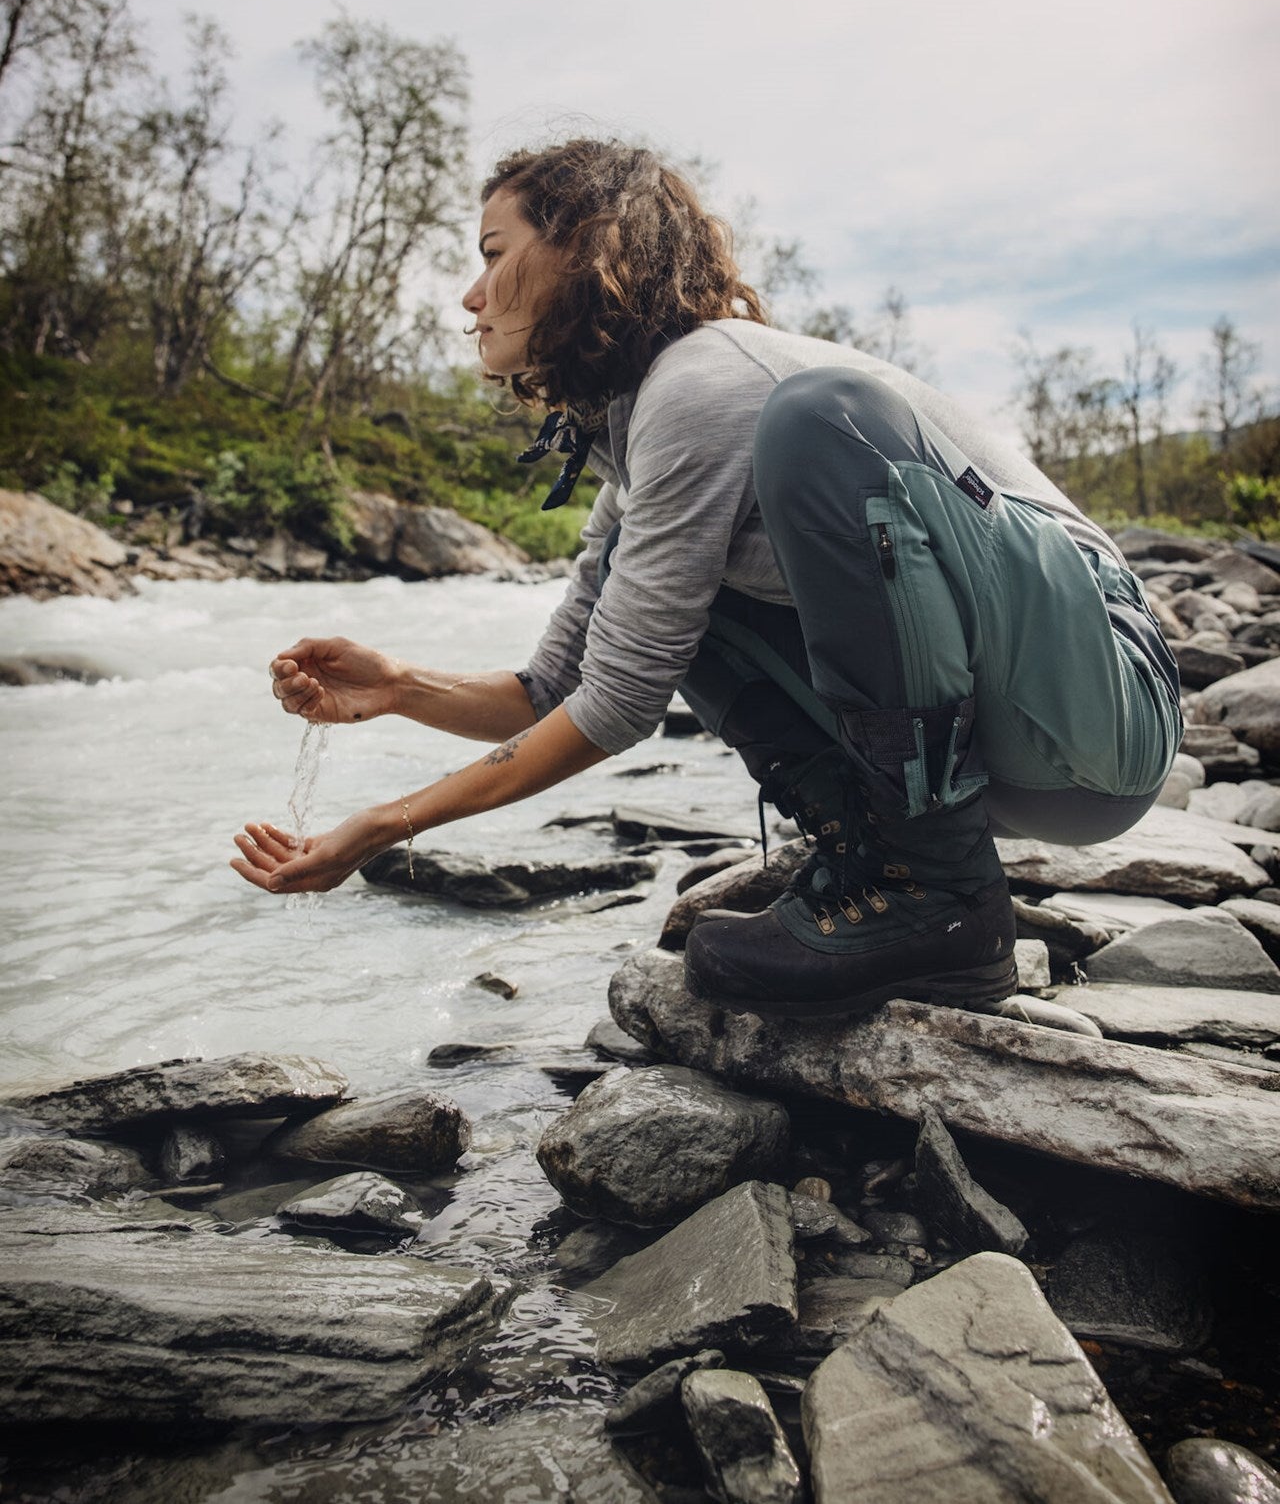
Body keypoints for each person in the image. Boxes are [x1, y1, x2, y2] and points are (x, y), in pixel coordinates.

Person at [230, 139, 1181, 1021]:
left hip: (1107, 700)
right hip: (1035, 758)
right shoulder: (643, 435)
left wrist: (384, 824)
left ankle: (941, 898)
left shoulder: (703, 379)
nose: (470, 296)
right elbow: (561, 687)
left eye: (492, 251)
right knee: (671, 608)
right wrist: (398, 689)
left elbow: (615, 708)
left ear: (585, 250)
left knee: (822, 417)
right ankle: (880, 868)